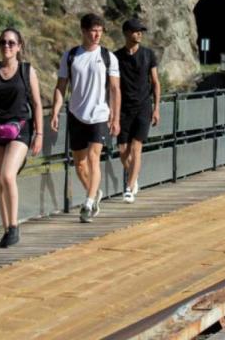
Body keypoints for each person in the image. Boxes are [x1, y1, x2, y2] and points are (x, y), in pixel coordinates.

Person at [0, 28, 44, 248]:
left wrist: (39, 133)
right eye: (3, 42)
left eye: (12, 43)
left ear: (19, 46)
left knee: (7, 175)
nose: (7, 46)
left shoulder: (27, 71)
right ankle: (7, 230)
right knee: (0, 180)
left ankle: (14, 227)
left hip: (20, 128)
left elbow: (37, 104)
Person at [50, 13, 121, 223]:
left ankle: (88, 203)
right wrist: (55, 111)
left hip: (99, 115)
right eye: (93, 30)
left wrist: (115, 117)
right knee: (79, 164)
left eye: (100, 30)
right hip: (76, 115)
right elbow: (61, 86)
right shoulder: (71, 56)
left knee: (93, 158)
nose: (97, 34)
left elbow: (115, 89)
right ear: (83, 31)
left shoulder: (109, 57)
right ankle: (94, 192)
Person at [114, 18, 160, 203]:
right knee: (123, 150)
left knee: (136, 147)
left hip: (143, 106)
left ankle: (129, 187)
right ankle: (135, 178)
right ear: (126, 33)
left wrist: (156, 108)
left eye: (141, 31)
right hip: (123, 108)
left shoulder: (149, 55)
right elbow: (112, 85)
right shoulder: (116, 57)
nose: (139, 33)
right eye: (135, 30)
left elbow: (156, 82)